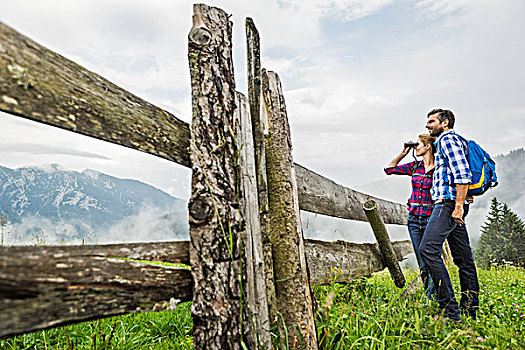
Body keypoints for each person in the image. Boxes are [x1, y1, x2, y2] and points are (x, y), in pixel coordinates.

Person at [420, 108, 479, 322]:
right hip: (453, 204)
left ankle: (449, 311)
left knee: (428, 250)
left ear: (444, 123)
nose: (427, 125)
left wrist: (458, 205)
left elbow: (462, 173)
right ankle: (470, 310)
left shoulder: (447, 140)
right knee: (464, 258)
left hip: (448, 205)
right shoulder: (450, 141)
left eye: (431, 121)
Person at [384, 134, 436, 300]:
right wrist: (403, 153)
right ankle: (430, 297)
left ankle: (436, 295)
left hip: (431, 218)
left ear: (428, 146)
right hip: (414, 219)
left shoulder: (439, 168)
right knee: (422, 260)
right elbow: (389, 169)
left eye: (418, 144)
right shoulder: (415, 166)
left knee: (430, 258)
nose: (416, 147)